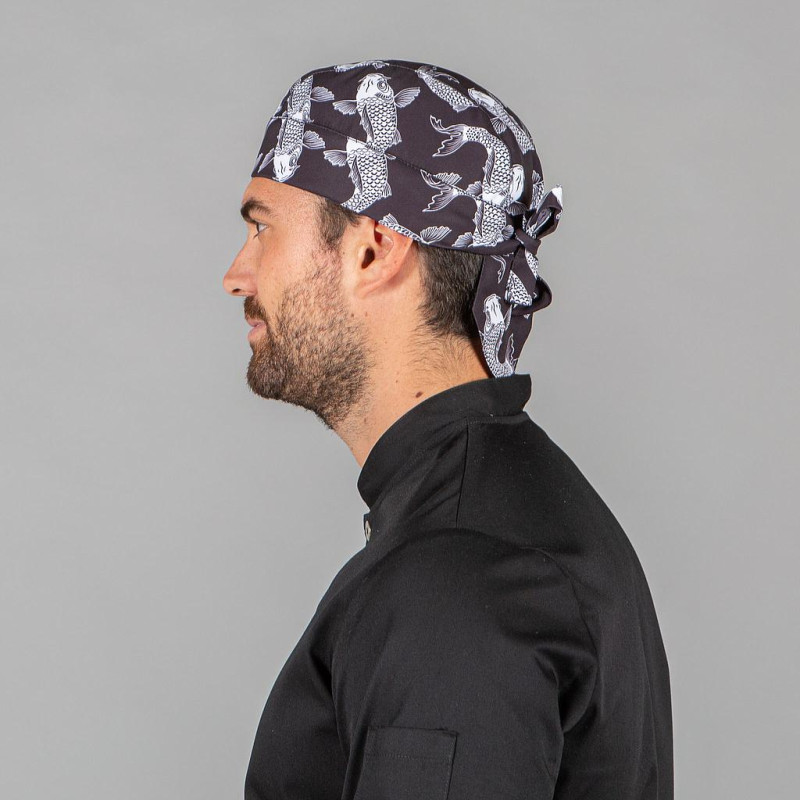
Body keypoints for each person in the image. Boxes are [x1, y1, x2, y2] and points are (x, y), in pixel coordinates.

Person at [222, 58, 673, 800]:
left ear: (373, 249)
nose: (238, 275)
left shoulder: (457, 574)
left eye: (262, 228)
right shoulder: (497, 513)